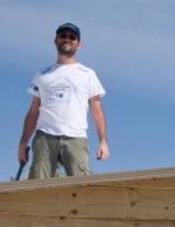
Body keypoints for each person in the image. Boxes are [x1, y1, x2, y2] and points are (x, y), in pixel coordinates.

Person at [18, 22, 108, 179]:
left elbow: (97, 111)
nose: (67, 39)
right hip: (44, 137)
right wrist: (23, 143)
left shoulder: (88, 74)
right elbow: (33, 111)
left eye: (72, 37)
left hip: (76, 137)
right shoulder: (42, 74)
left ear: (78, 44)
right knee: (37, 185)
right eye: (63, 36)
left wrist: (103, 142)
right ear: (56, 40)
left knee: (82, 186)